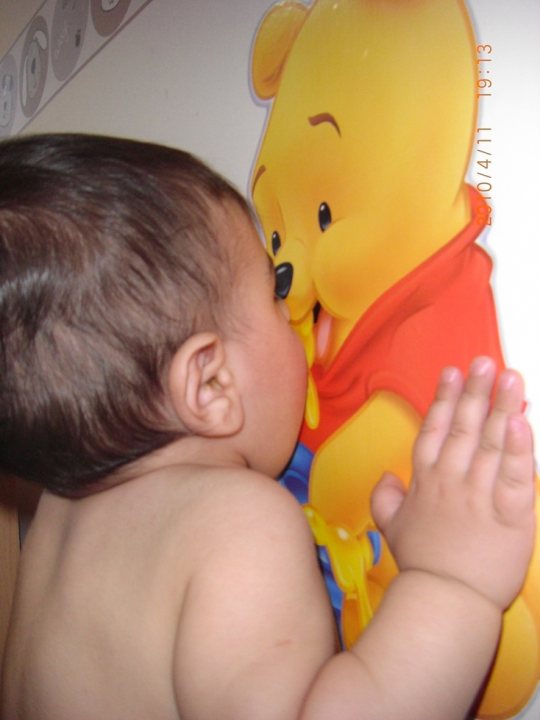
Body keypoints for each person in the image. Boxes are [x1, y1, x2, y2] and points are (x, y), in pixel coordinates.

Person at [0, 133, 535, 720]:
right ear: (210, 384)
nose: (298, 307)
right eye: (276, 287)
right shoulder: (234, 521)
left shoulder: (54, 515)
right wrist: (449, 579)